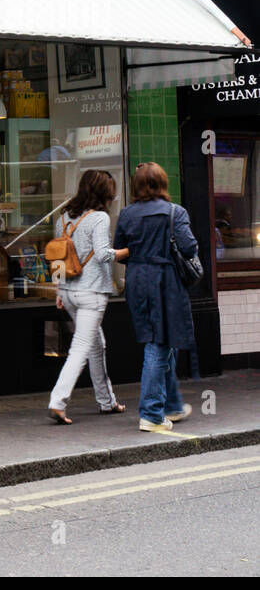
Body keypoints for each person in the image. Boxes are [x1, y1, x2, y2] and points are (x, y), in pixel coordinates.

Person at [114, 162, 198, 433]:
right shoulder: (175, 212)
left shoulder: (126, 214)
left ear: (136, 186)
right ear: (163, 183)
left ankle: (171, 404)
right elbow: (188, 247)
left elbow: (119, 248)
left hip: (138, 279)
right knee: (158, 344)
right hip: (165, 279)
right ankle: (151, 413)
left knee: (163, 341)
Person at [47, 170, 130, 425]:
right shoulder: (100, 218)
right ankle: (58, 402)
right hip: (91, 293)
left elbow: (58, 257)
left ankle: (107, 402)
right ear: (104, 192)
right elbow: (105, 255)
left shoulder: (63, 218)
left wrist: (60, 291)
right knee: (80, 349)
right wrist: (130, 250)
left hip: (70, 293)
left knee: (96, 345)